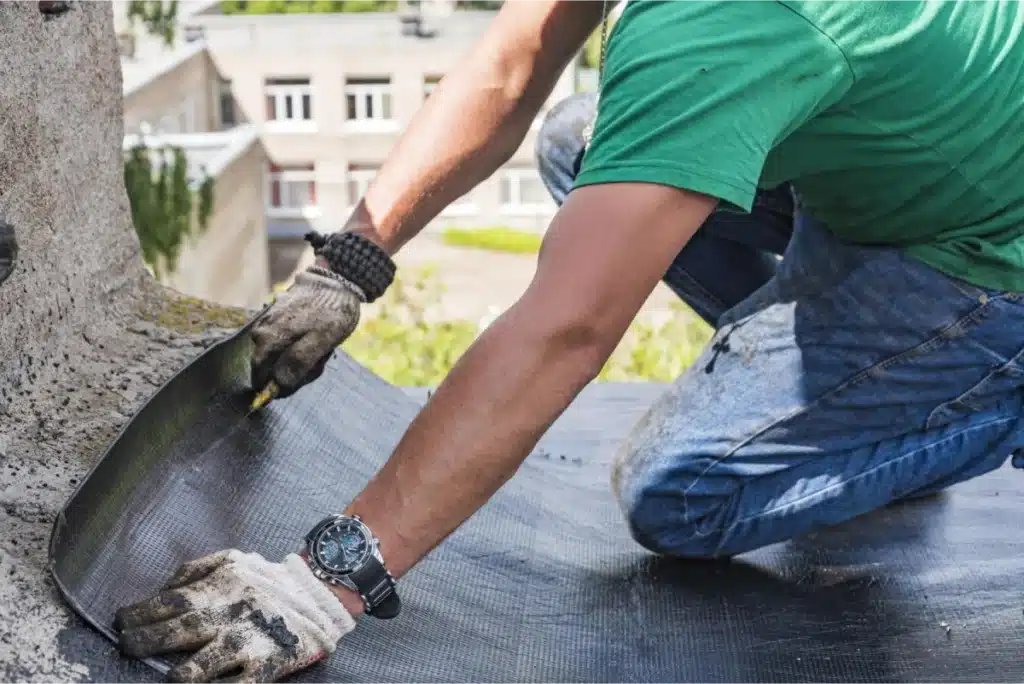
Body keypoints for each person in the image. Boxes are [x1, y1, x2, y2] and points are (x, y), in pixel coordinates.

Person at [113, 0, 1024, 680]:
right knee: (587, 144)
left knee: (682, 496)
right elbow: (510, 65)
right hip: (918, 158)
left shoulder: (726, 27)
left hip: (986, 258)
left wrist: (328, 580)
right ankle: (865, 386)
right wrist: (349, 263)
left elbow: (569, 330)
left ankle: (962, 395)